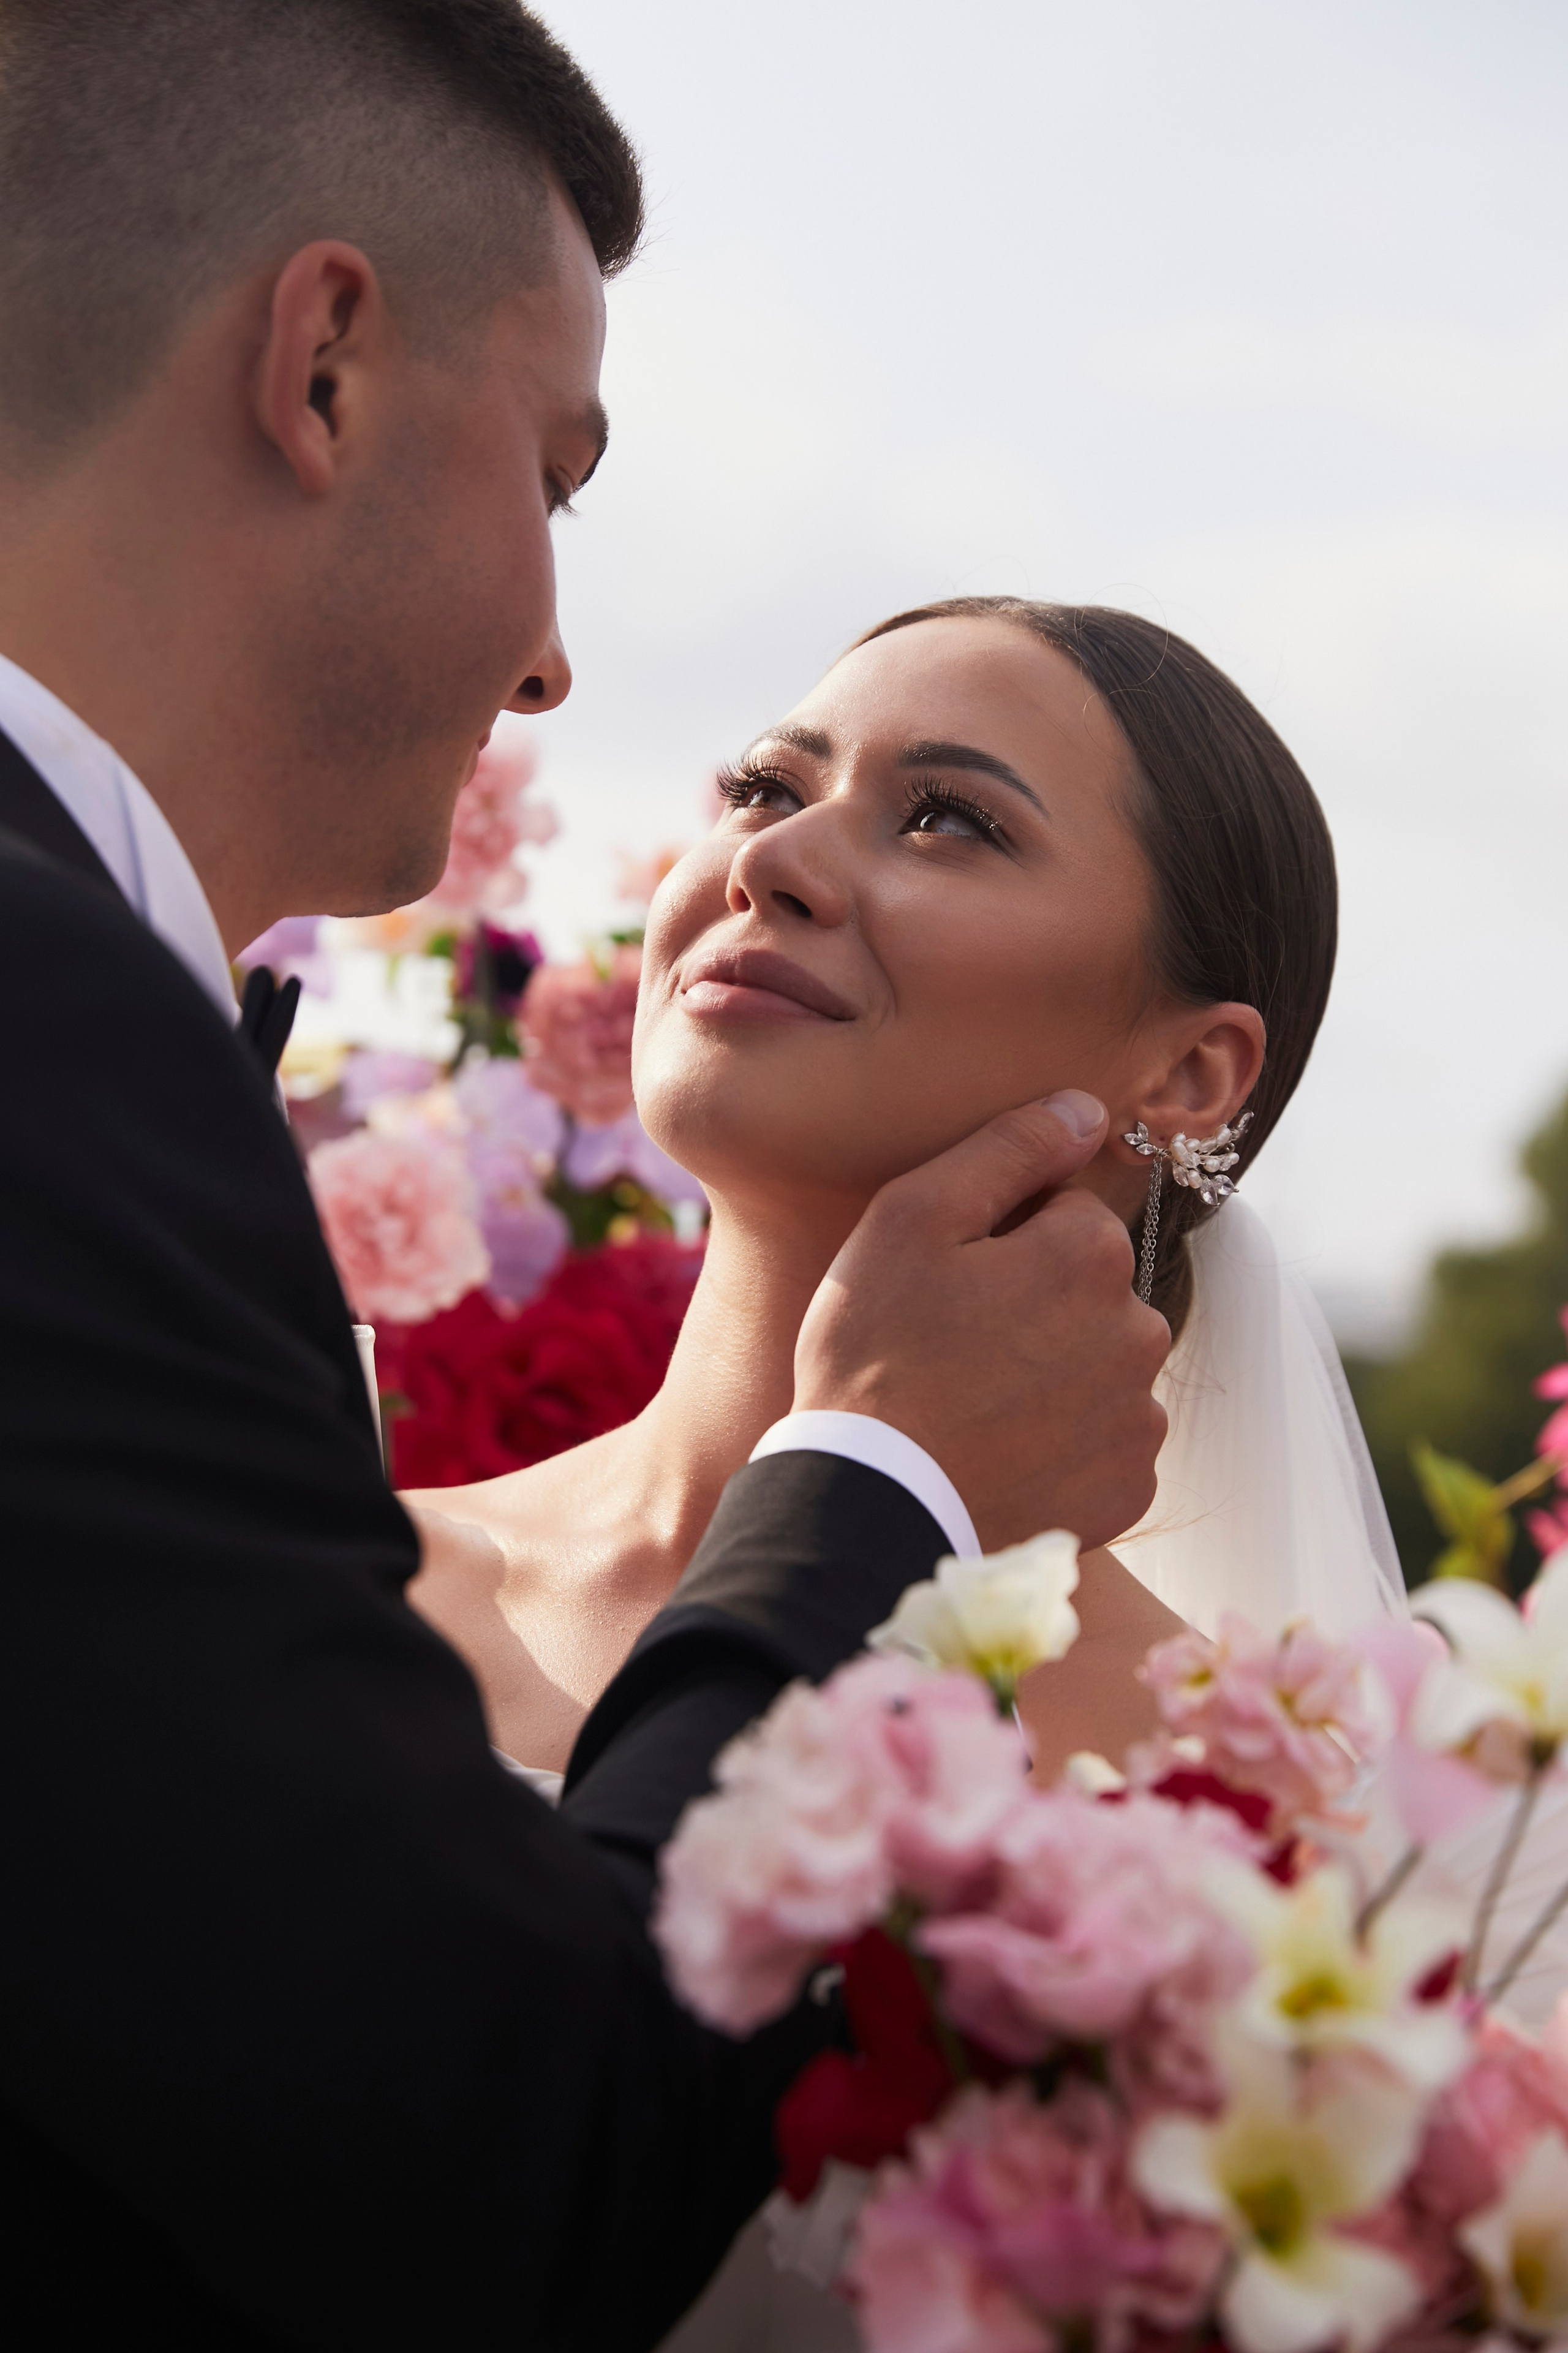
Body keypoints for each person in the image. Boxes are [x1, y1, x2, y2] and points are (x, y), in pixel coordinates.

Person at [0, 7, 1168, 2346]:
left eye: (947, 817)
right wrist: (879, 1485)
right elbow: (466, 2172)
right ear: (321, 364)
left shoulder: (1226, 1772)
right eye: (558, 471)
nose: (550, 659)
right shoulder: (63, 1051)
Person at [405, 599, 1411, 2347]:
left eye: (949, 816)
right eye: (758, 786)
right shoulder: (336, 1574)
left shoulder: (1264, 1823)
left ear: (1190, 1070)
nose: (773, 860)